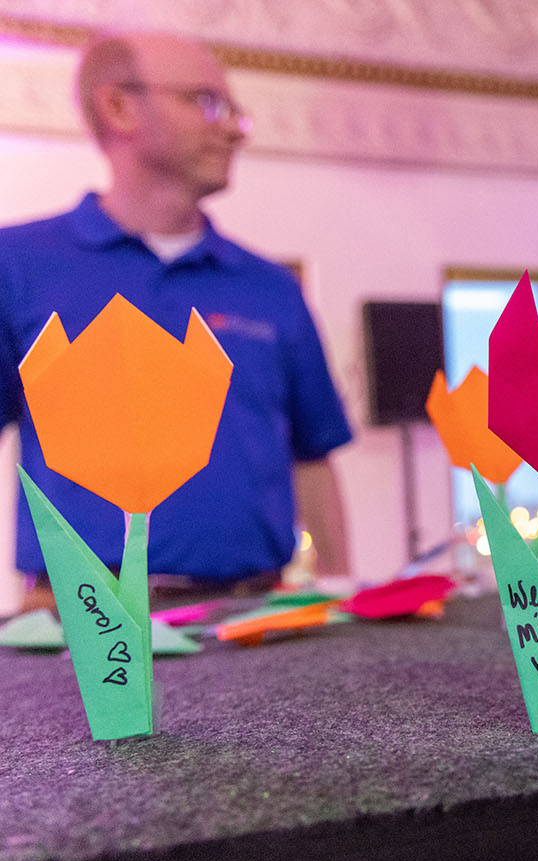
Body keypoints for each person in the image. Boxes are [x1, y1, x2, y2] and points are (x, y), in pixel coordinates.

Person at [0, 32, 352, 608]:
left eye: (236, 111)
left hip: (253, 617)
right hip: (83, 622)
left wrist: (339, 592)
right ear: (119, 107)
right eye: (208, 102)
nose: (235, 128)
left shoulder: (270, 288)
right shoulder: (16, 265)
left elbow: (314, 456)